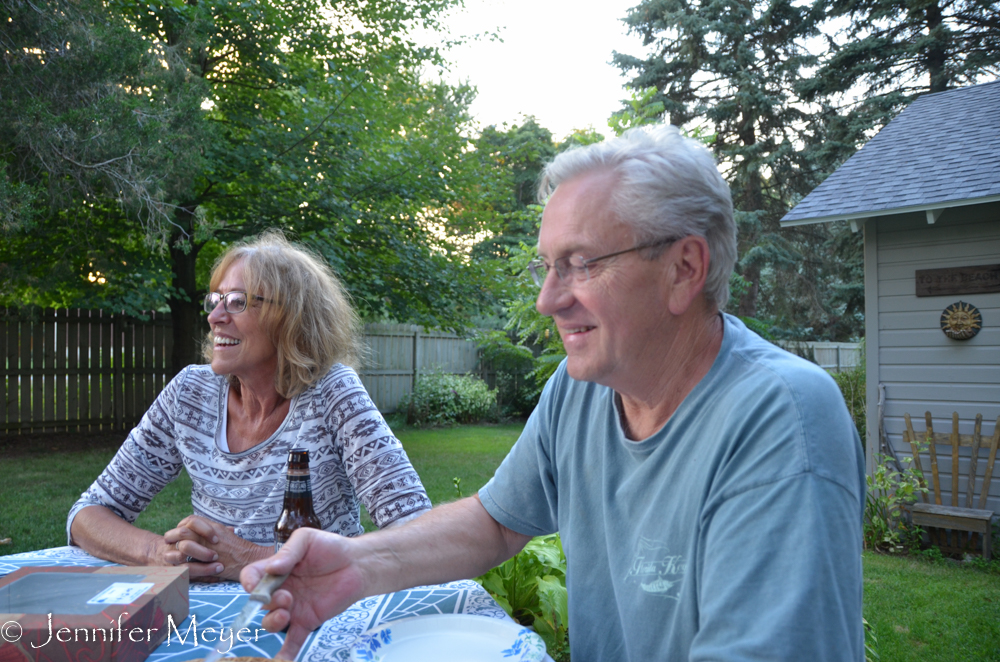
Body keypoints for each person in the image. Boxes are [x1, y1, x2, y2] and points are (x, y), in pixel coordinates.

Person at [242, 126, 866, 661]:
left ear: (684, 269)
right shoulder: (581, 390)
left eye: (582, 263)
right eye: (547, 267)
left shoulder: (779, 416)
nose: (549, 300)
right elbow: (494, 524)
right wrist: (357, 564)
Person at [68, 232, 431, 581]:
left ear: (290, 317)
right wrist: (158, 553)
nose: (215, 317)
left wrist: (249, 559)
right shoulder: (190, 393)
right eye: (215, 300)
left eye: (238, 301)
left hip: (316, 603)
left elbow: (416, 536)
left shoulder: (331, 392)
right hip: (210, 617)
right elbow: (88, 514)